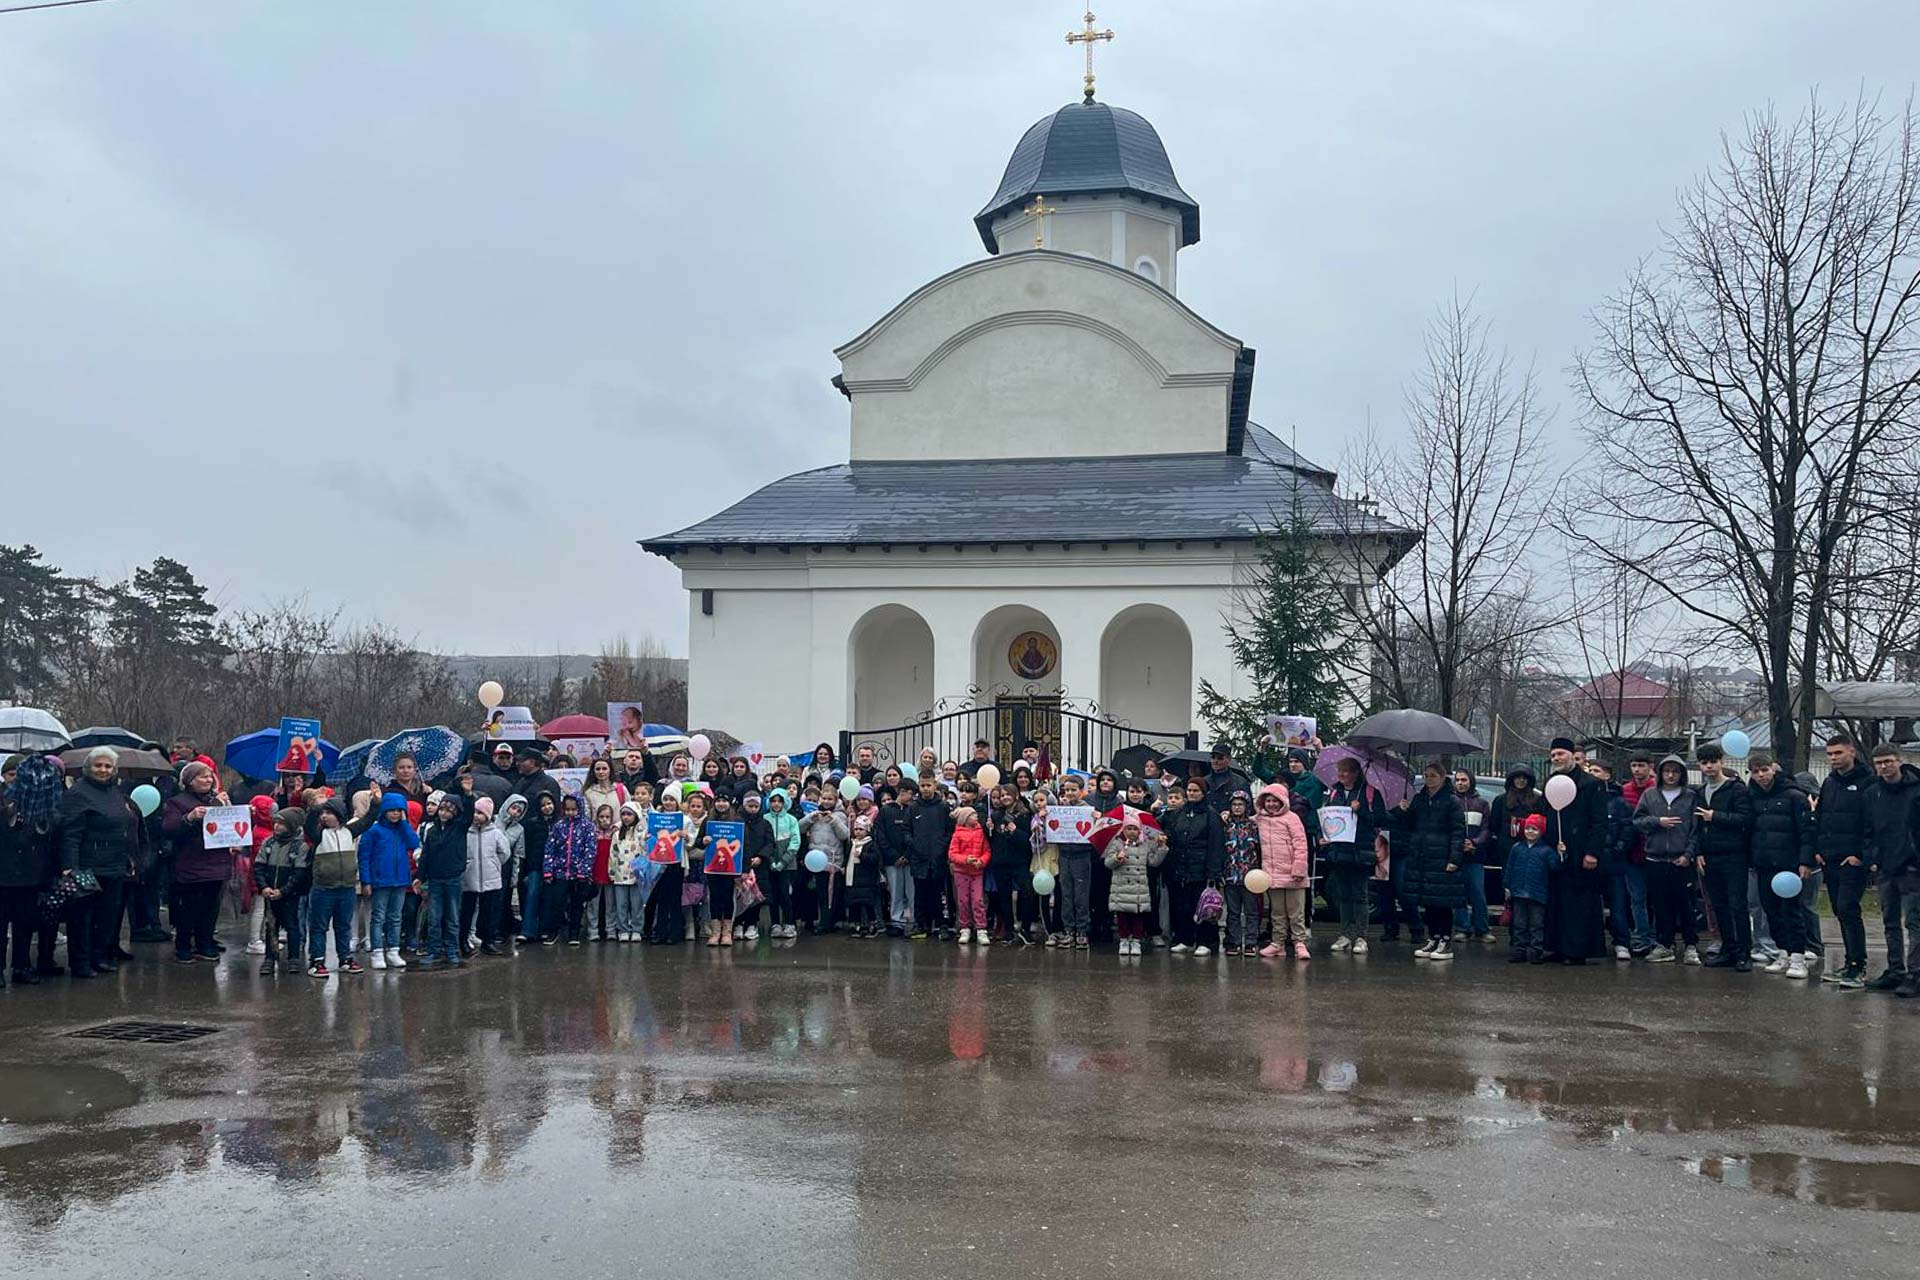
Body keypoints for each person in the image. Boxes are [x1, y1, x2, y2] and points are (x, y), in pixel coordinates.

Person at [59, 746, 142, 978]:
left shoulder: (115, 793)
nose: (103, 770)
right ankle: (81, 962)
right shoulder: (77, 794)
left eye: (108, 766)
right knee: (82, 918)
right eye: (98, 765)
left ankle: (99, 956)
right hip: (86, 866)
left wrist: (129, 858)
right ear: (88, 768)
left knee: (107, 916)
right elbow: (70, 834)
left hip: (114, 866)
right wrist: (69, 866)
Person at [1745, 751, 1817, 979]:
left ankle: (1798, 956)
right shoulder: (1752, 798)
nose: (1761, 775)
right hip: (1763, 864)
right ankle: (1783, 952)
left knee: (1791, 911)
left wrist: (1805, 861)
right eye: (1756, 772)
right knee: (1771, 911)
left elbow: (1806, 832)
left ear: (1773, 769)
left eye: (1764, 770)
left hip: (1789, 865)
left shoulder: (1794, 796)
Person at [160, 759, 232, 965]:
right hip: (189, 863)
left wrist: (240, 813)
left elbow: (232, 826)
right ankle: (183, 945)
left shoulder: (217, 799)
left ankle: (205, 943)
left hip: (217, 862)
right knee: (187, 907)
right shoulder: (177, 802)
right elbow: (168, 828)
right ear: (189, 781)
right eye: (202, 776)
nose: (208, 779)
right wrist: (189, 818)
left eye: (210, 775)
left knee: (210, 907)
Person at [1392, 763, 1467, 960]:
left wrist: (1454, 858)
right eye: (1426, 775)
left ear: (1442, 777)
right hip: (1421, 856)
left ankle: (1445, 939)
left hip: (1441, 856)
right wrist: (1404, 811)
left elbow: (1458, 832)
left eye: (1433, 776)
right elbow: (1408, 825)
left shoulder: (1452, 802)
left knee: (1442, 900)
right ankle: (1432, 937)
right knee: (1427, 900)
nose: (1429, 779)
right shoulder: (1420, 799)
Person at [1861, 742, 1920, 994]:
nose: (1884, 767)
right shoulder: (1873, 793)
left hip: (1912, 868)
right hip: (1884, 867)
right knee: (1890, 922)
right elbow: (1867, 830)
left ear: (1899, 760)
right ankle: (1895, 970)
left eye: (1888, 761)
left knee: (1915, 923)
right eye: (1879, 763)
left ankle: (1916, 974)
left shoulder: (1916, 791)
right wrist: (1872, 857)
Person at [1816, 733, 1874, 987]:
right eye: (1829, 754)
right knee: (1840, 911)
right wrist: (1818, 849)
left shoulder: (1868, 782)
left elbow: (1873, 822)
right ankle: (1849, 962)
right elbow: (1821, 817)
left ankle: (1858, 966)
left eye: (1838, 753)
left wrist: (1861, 855)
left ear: (1851, 751)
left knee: (1848, 908)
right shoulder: (1829, 783)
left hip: (1852, 860)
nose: (1833, 758)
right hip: (1830, 858)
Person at [1632, 755, 1702, 964]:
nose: (1671, 775)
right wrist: (1657, 821)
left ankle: (1691, 945)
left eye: (1675, 771)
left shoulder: (1690, 796)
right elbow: (1638, 820)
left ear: (1682, 774)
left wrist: (1688, 854)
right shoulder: (1650, 794)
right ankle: (1665, 944)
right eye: (1667, 771)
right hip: (1655, 858)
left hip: (1681, 859)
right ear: (1661, 773)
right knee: (1661, 906)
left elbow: (1695, 830)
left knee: (1686, 905)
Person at [1544, 739, 1607, 965]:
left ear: (1572, 755)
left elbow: (1599, 822)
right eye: (1553, 755)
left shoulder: (1592, 784)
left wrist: (1592, 852)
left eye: (1560, 754)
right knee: (1557, 901)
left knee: (1578, 903)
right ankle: (1557, 946)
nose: (1557, 759)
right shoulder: (1551, 781)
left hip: (1582, 852)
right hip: (1557, 852)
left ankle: (1576, 950)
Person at [1692, 743, 1753, 971]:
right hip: (1709, 856)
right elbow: (1696, 826)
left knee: (1738, 905)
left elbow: (1745, 819)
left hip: (1733, 855)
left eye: (1713, 762)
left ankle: (1744, 952)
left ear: (1722, 762)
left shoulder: (1736, 789)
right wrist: (1698, 852)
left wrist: (1715, 816)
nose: (1709, 767)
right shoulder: (1700, 792)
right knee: (1719, 906)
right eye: (1704, 763)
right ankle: (1728, 948)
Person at [1, 757, 61, 984]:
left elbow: (52, 829)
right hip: (4, 874)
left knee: (24, 925)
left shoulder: (43, 803)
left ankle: (21, 966)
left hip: (31, 875)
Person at [1322, 757, 1387, 953]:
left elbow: (1381, 819)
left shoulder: (1369, 793)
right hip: (1339, 851)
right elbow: (1327, 817)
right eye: (1339, 771)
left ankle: (1361, 936)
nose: (1341, 775)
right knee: (1343, 895)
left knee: (1360, 894)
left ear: (1355, 773)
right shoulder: (1335, 792)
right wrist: (1323, 836)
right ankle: (1344, 934)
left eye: (1345, 771)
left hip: (1360, 851)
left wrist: (1363, 811)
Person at [1163, 776, 1224, 955]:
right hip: (1181, 867)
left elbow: (1216, 844)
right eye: (1189, 790)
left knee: (1205, 906)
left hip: (1202, 869)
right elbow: (1172, 834)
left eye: (1196, 790)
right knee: (1183, 906)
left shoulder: (1211, 815)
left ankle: (1206, 941)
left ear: (1203, 793)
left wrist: (1213, 871)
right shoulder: (1180, 813)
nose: (1191, 793)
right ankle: (1185, 938)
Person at [358, 792, 418, 970]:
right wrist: (366, 881)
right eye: (391, 810)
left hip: (400, 879)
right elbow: (364, 857)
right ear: (384, 810)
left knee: (395, 917)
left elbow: (414, 842)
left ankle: (393, 950)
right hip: (380, 880)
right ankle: (377, 951)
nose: (395, 814)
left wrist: (405, 824)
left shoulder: (402, 829)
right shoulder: (373, 831)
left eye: (399, 811)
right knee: (378, 917)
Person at [414, 791, 472, 967]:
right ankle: (433, 949)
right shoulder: (432, 831)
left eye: (449, 810)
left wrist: (468, 795)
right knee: (434, 917)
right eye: (442, 809)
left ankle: (452, 950)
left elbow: (468, 814)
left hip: (453, 878)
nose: (444, 813)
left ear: (455, 813)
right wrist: (420, 877)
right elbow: (426, 856)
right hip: (435, 879)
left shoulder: (460, 828)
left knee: (453, 917)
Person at [1255, 782, 1312, 960]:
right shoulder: (1259, 819)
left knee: (1296, 911)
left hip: (1293, 873)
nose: (1271, 804)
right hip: (1271, 874)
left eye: (1275, 800)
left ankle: (1299, 943)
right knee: (1277, 912)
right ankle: (1277, 943)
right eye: (1268, 800)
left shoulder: (1292, 818)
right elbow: (1241, 820)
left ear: (1283, 801)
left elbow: (1301, 844)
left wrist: (1299, 868)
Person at [251, 807, 310, 975]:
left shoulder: (300, 846)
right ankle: (270, 957)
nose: (276, 826)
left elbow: (299, 873)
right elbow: (259, 866)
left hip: (290, 894)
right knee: (271, 925)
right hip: (270, 891)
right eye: (275, 822)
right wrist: (263, 887)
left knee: (292, 925)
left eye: (281, 824)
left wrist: (284, 891)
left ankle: (293, 958)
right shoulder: (269, 843)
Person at [306, 799, 360, 977]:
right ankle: (317, 960)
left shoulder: (349, 832)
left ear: (338, 814)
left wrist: (376, 802)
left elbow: (367, 821)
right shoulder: (319, 835)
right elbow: (308, 825)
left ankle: (345, 958)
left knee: (343, 925)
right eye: (322, 813)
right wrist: (315, 807)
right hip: (324, 888)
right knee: (319, 926)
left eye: (328, 812)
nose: (324, 816)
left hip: (346, 887)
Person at [1104, 809, 1165, 957]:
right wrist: (1117, 859)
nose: (1132, 832)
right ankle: (1124, 940)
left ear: (1140, 831)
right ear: (1123, 830)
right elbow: (1108, 862)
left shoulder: (1145, 845)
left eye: (1135, 829)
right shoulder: (1117, 844)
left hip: (1139, 890)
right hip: (1121, 888)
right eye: (1128, 828)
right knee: (1122, 918)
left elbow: (1153, 862)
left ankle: (1136, 940)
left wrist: (1161, 848)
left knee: (1138, 917)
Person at [543, 793, 598, 946]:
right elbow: (550, 848)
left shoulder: (587, 826)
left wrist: (584, 870)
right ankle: (553, 932)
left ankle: (574, 933)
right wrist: (548, 870)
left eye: (574, 809)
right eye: (567, 809)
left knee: (577, 904)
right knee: (557, 903)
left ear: (580, 808)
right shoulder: (559, 826)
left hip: (579, 874)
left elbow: (591, 850)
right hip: (560, 872)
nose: (570, 812)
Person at [905, 773, 953, 939]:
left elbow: (949, 831)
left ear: (935, 785)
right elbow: (906, 830)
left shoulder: (943, 807)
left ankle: (942, 925)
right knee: (920, 895)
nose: (926, 789)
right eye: (923, 785)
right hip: (919, 860)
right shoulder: (913, 807)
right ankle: (921, 925)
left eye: (929, 785)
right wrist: (915, 845)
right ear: (919, 786)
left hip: (938, 859)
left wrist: (941, 848)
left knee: (939, 895)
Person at [460, 795, 510, 955]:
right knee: (467, 911)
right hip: (469, 877)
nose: (476, 816)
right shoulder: (466, 832)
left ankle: (488, 941)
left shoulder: (495, 833)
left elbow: (504, 852)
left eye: (480, 813)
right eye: (474, 812)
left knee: (489, 911)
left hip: (491, 878)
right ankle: (463, 939)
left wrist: (494, 864)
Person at [1053, 773, 1098, 949]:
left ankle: (1081, 930)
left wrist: (1096, 818)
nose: (1070, 793)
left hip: (1082, 856)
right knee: (1066, 894)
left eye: (1073, 790)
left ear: (1082, 791)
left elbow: (1095, 833)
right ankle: (1068, 930)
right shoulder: (1060, 808)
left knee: (1081, 895)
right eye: (1067, 790)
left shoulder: (1088, 809)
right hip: (1065, 855)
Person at [1451, 768, 1494, 943]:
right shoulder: (1451, 802)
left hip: (1475, 856)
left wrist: (1475, 843)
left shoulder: (1482, 803)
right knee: (1459, 893)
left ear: (1471, 781)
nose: (1461, 783)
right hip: (1456, 855)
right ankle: (1462, 928)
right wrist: (1459, 844)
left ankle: (1482, 929)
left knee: (1478, 893)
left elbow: (1486, 829)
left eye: (1464, 780)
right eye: (1458, 780)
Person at [1505, 814, 1554, 963]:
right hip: (1518, 892)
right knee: (1519, 924)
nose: (1530, 832)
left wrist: (1561, 854)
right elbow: (1509, 868)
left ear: (1541, 831)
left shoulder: (1547, 851)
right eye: (1528, 828)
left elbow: (1556, 867)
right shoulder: (1517, 848)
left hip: (1537, 893)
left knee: (1536, 925)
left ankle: (1536, 951)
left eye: (1534, 829)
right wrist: (1507, 887)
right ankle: (1519, 950)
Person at [1218, 790, 1261, 956]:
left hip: (1251, 875)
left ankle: (1251, 942)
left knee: (1251, 911)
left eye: (1240, 804)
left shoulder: (1253, 826)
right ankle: (1234, 941)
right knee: (1233, 912)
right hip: (1230, 874)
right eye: (1234, 804)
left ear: (1247, 806)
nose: (1237, 808)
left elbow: (1259, 849)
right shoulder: (1225, 826)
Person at [946, 807, 990, 942]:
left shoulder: (981, 832)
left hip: (977, 872)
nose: (976, 816)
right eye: (972, 815)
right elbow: (952, 854)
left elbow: (987, 850)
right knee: (963, 900)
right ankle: (965, 927)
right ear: (965, 819)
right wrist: (965, 860)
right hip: (961, 872)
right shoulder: (957, 834)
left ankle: (981, 928)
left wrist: (982, 861)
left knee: (978, 900)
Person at [761, 788, 800, 938]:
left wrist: (783, 861)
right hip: (769, 864)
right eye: (773, 801)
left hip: (787, 864)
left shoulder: (791, 820)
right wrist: (770, 860)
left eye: (779, 801)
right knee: (772, 895)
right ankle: (775, 923)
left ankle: (789, 923)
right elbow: (764, 841)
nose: (776, 804)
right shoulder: (765, 818)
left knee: (785, 894)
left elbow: (795, 841)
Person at [608, 801, 645, 942]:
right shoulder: (617, 835)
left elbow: (645, 852)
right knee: (621, 905)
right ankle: (623, 929)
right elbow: (613, 854)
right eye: (623, 814)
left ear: (636, 815)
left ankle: (637, 929)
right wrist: (611, 872)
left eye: (629, 814)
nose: (625, 817)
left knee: (636, 905)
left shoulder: (642, 833)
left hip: (637, 875)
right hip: (620, 875)